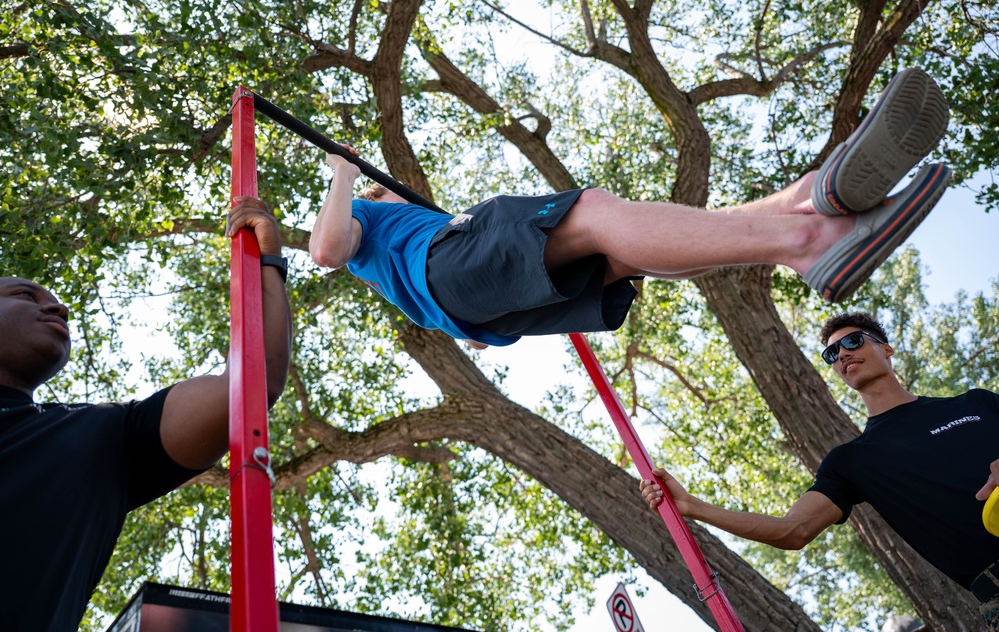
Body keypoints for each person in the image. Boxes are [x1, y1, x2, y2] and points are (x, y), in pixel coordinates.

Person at [310, 68, 952, 348]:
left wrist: (466, 319)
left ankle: (805, 205)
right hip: (451, 273)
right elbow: (326, 251)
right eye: (378, 180)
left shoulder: (414, 239)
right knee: (590, 212)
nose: (386, 180)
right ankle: (805, 238)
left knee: (618, 250)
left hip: (473, 302)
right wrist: (343, 173)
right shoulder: (365, 213)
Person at [0, 197, 293, 632]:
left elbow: (249, 387)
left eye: (59, 303)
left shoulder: (98, 437)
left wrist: (266, 259)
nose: (59, 308)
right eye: (26, 294)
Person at [639, 311, 999, 630]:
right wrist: (691, 507)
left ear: (886, 349)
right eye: (832, 353)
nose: (842, 353)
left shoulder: (976, 402)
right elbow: (791, 531)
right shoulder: (853, 460)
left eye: (853, 341)